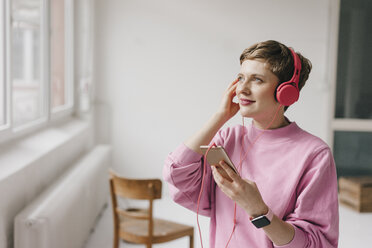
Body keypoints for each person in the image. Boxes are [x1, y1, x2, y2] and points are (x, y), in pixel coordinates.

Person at [163, 40, 339, 248]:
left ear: (286, 91)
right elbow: (176, 175)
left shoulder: (314, 154)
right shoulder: (228, 138)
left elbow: (315, 244)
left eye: (257, 79)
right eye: (240, 78)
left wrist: (258, 210)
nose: (242, 89)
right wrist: (220, 117)